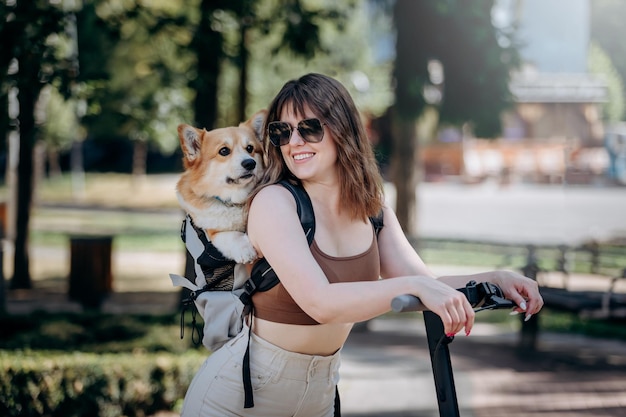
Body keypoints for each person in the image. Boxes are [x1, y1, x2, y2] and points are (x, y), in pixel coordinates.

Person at [180, 73, 543, 417]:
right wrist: (412, 286)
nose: (294, 142)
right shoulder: (275, 202)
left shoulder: (373, 210)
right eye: (281, 132)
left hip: (318, 397)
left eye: (309, 128)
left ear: (342, 128)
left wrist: (496, 279)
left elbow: (424, 283)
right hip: (237, 398)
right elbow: (320, 302)